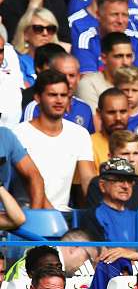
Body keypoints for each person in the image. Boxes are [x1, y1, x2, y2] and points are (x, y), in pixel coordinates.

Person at [13, 69, 94, 211]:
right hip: (25, 214)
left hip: (64, 216)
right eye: (52, 95)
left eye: (63, 95)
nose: (59, 100)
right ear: (37, 97)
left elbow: (88, 179)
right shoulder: (18, 134)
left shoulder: (80, 134)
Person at [86, 130, 138, 237]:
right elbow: (101, 222)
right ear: (110, 157)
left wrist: (136, 253)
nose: (132, 159)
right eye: (125, 153)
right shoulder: (98, 184)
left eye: (136, 153)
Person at [72, 0, 138, 75]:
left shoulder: (136, 39)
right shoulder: (86, 40)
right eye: (114, 15)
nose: (120, 21)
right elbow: (87, 80)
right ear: (98, 15)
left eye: (124, 15)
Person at [80, 157, 138, 242]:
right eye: (119, 180)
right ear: (102, 185)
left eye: (130, 181)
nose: (126, 186)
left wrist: (131, 251)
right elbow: (98, 253)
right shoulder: (93, 216)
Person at [77, 32, 138, 113]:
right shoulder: (89, 84)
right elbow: (93, 121)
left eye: (129, 56)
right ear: (104, 58)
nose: (125, 62)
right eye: (119, 56)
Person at [22, 52, 95, 134]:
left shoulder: (85, 108)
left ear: (78, 78)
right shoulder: (34, 108)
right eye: (61, 75)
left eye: (71, 75)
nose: (67, 81)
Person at [91, 88, 138, 182]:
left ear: (129, 112)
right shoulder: (88, 145)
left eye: (123, 111)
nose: (118, 118)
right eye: (111, 112)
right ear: (99, 114)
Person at [12, 8, 65, 87]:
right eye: (38, 28)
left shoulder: (64, 60)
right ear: (25, 33)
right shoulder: (16, 62)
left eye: (50, 29)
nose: (45, 33)